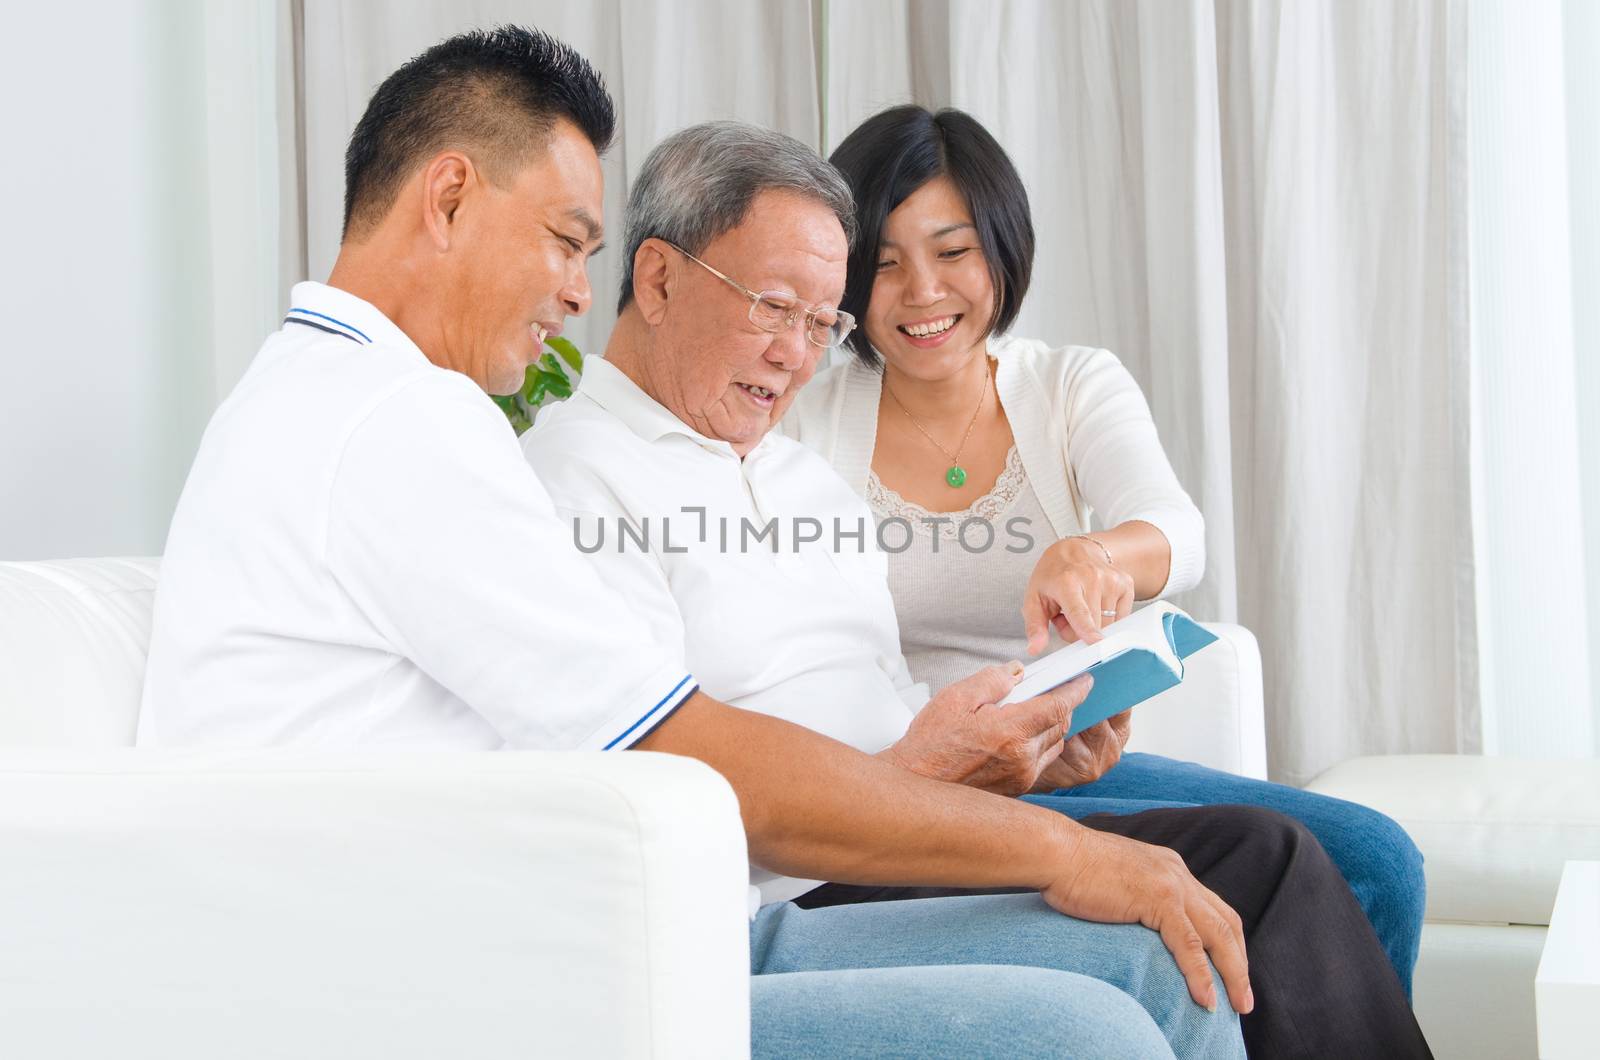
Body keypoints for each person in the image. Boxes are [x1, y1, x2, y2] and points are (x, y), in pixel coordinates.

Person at [136, 26, 1240, 1059]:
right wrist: (1068, 850)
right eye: (567, 242)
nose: (579, 291)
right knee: (1121, 1000)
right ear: (451, 195)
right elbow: (682, 752)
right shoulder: (396, 421)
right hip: (520, 982)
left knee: (1155, 959)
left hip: (605, 933)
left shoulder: (329, 398)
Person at [525, 118, 1433, 1059]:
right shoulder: (577, 478)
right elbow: (660, 793)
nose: (797, 353)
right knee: (1220, 899)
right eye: (773, 306)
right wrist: (931, 773)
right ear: (661, 279)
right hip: (822, 868)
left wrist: (1017, 756)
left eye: (816, 323)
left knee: (1274, 857)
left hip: (930, 809)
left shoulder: (797, 474)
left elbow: (883, 695)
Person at [783, 103, 1428, 996]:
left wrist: (1095, 555)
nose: (922, 290)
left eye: (954, 250)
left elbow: (1177, 530)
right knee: (1262, 871)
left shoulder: (1067, 383)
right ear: (848, 280)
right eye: (884, 264)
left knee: (1377, 858)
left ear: (1002, 250)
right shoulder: (802, 421)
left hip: (1059, 757)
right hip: (913, 782)